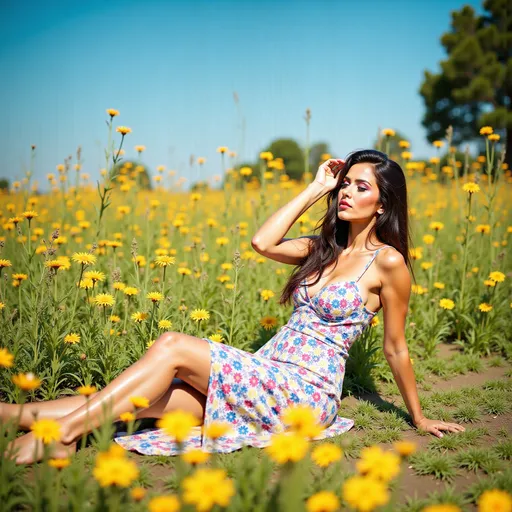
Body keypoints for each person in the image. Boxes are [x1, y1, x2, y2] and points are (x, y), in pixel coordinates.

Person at [4, 149, 465, 463]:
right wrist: (313, 189)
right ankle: (14, 417)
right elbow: (261, 242)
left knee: (172, 347)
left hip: (304, 392)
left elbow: (396, 347)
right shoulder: (320, 247)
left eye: (361, 187)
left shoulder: (388, 263)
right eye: (345, 184)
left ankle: (59, 437)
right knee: (155, 400)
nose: (346, 192)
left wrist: (418, 417)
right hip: (265, 371)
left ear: (383, 205)